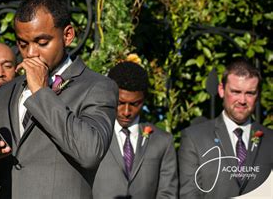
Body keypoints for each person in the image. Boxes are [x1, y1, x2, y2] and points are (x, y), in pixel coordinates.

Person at [0, 0, 117, 198]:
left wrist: (42, 93)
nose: (31, 53)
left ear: (67, 35)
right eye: (23, 44)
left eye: (42, 42)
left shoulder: (97, 86)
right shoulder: (5, 92)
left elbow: (90, 153)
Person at [178, 58, 273, 198]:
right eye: (235, 92)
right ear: (221, 90)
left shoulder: (270, 139)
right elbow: (189, 194)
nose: (242, 100)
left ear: (257, 95)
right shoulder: (194, 138)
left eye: (250, 93)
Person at [93, 61, 178, 199]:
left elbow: (167, 193)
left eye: (134, 104)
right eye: (120, 103)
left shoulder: (162, 141)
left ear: (144, 100)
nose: (126, 112)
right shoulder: (94, 134)